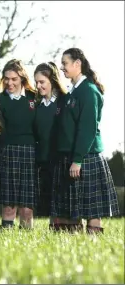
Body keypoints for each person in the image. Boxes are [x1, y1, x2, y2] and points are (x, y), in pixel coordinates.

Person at [51, 47, 120, 234]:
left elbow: (87, 129)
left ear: (77, 64)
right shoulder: (73, 91)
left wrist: (78, 159)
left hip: (86, 157)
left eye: (65, 63)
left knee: (91, 209)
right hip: (70, 156)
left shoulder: (88, 91)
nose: (62, 68)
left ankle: (93, 249)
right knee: (74, 209)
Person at [0, 59, 38, 231]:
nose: (9, 83)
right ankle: (6, 241)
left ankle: (27, 245)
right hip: (7, 153)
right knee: (9, 205)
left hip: (30, 154)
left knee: (27, 207)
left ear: (22, 79)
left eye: (14, 79)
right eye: (6, 79)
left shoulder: (35, 99)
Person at [33, 62, 68, 228]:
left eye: (42, 82)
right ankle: (54, 232)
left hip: (62, 160)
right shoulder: (38, 107)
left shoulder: (64, 103)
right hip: (44, 162)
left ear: (52, 81)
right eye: (36, 82)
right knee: (48, 203)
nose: (38, 86)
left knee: (65, 202)